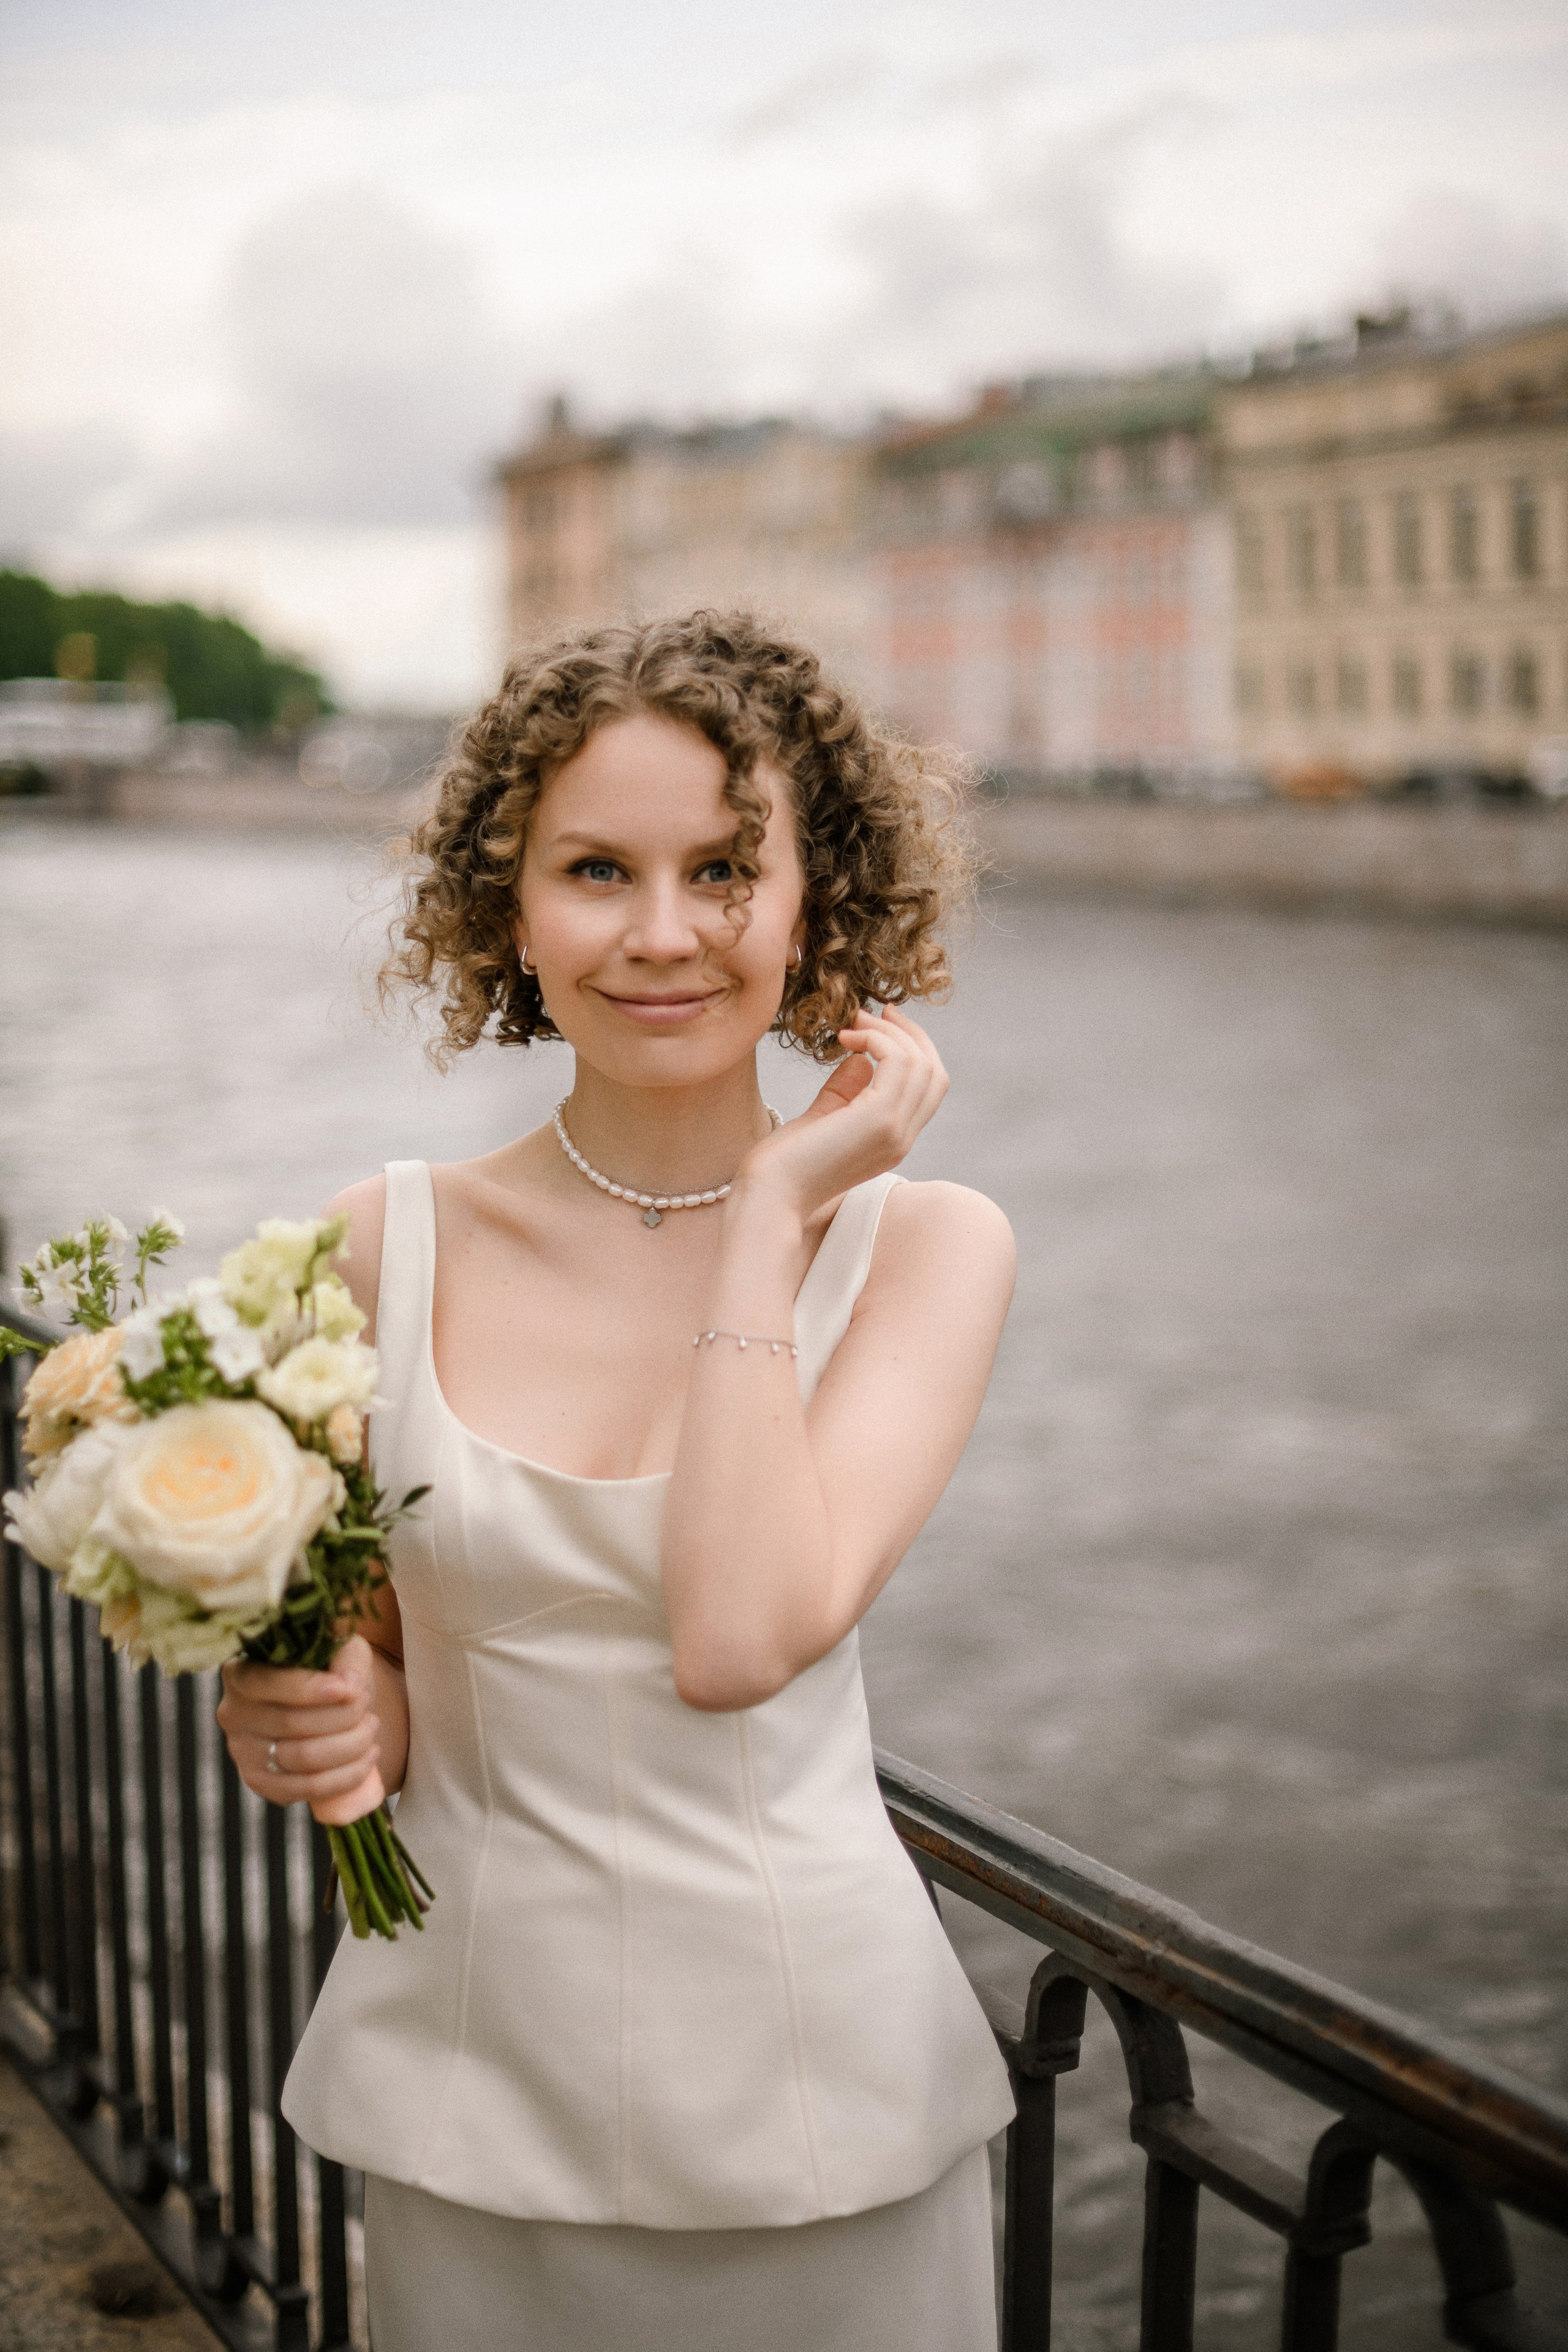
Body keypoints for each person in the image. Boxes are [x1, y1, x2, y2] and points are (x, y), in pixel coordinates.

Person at [216, 611, 1017, 2351]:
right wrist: (308, 1707)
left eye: (726, 870)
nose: (663, 935)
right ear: (512, 904)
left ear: (822, 901)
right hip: (470, 2084)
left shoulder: (925, 1252)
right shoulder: (379, 1249)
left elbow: (738, 1639)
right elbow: (382, 1680)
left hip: (819, 2111)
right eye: (596, 869)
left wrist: (768, 1226)